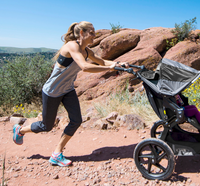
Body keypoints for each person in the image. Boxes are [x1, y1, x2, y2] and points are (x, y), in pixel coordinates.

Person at [12, 21, 129, 166]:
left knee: (76, 120)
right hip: (52, 91)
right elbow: (85, 66)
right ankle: (20, 130)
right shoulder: (72, 46)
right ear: (82, 33)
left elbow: (101, 61)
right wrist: (110, 68)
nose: (94, 35)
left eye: (94, 32)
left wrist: (118, 64)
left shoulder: (86, 50)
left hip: (67, 90)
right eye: (91, 32)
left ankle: (57, 153)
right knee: (46, 126)